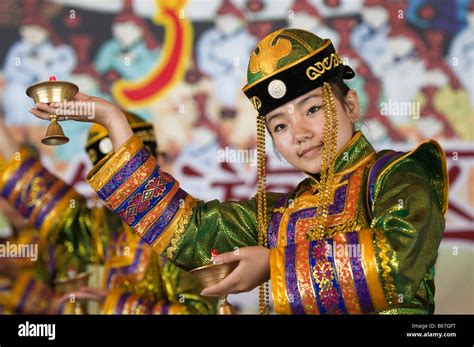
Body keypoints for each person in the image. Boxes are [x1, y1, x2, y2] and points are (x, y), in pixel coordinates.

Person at [31, 28, 448, 314]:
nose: (299, 134)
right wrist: (110, 118)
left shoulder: (399, 174)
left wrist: (275, 267)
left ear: (351, 105)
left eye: (314, 110)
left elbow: (396, 259)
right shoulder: (278, 214)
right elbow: (189, 230)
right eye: (280, 125)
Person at [0, 113, 215, 314]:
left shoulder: (183, 225)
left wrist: (122, 306)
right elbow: (39, 192)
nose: (116, 188)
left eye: (125, 173)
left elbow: (203, 309)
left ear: (152, 165)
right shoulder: (103, 223)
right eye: (106, 177)